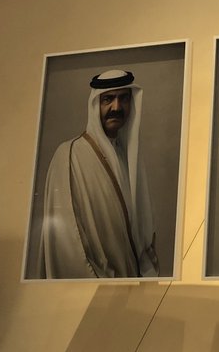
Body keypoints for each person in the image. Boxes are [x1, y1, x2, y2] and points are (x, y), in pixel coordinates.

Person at [36, 69, 158, 278]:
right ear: (95, 104)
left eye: (123, 99)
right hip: (94, 281)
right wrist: (98, 281)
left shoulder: (126, 156)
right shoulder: (70, 154)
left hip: (129, 281)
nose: (116, 107)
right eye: (108, 99)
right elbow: (66, 238)